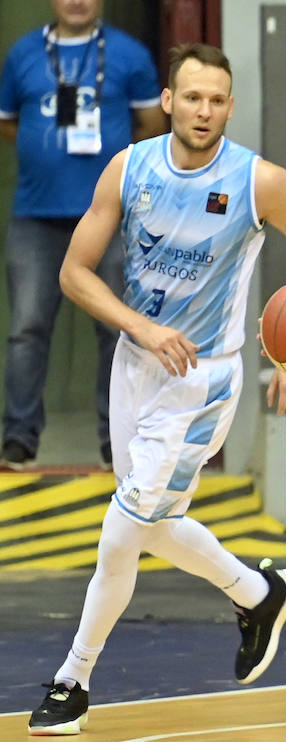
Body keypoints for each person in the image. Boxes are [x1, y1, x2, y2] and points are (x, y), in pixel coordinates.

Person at [26, 43, 286, 735]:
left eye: (217, 99)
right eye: (192, 97)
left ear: (230, 104)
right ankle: (257, 594)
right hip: (137, 363)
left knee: (123, 528)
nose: (204, 110)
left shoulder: (261, 181)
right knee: (153, 523)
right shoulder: (129, 168)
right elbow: (76, 273)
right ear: (168, 100)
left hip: (202, 380)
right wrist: (142, 327)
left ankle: (73, 679)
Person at [0, 0, 165, 469]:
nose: (77, 1)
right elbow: (8, 122)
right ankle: (19, 438)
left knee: (117, 329)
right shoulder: (23, 53)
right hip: (37, 215)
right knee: (25, 330)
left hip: (109, 217)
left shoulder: (130, 54)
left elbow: (151, 125)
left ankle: (116, 438)